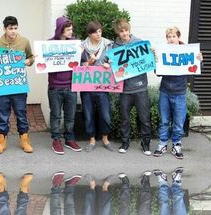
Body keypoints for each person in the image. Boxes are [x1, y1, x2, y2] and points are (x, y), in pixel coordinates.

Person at [0, 16, 34, 154]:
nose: (13, 31)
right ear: (5, 29)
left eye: (15, 28)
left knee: (21, 114)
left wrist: (29, 62)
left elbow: (30, 57)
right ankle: (1, 142)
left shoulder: (24, 41)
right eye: (10, 28)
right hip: (4, 86)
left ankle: (24, 140)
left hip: (19, 85)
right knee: (3, 114)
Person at [153, 27, 203, 159]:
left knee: (179, 122)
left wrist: (199, 60)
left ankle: (176, 144)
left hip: (180, 93)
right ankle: (162, 144)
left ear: (178, 38)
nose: (171, 39)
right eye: (168, 37)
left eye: (173, 36)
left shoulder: (187, 51)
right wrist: (156, 62)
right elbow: (157, 73)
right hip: (165, 91)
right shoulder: (163, 51)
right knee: (164, 121)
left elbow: (195, 69)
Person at [111, 19, 152, 155]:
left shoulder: (139, 43)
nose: (124, 33)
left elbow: (147, 62)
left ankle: (145, 143)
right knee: (125, 119)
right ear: (117, 32)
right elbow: (111, 65)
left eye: (126, 30)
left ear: (129, 30)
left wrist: (151, 55)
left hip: (140, 87)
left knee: (144, 118)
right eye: (121, 31)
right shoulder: (114, 47)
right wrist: (108, 63)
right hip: (124, 89)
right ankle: (125, 142)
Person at [48, 16, 82, 155]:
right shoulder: (49, 43)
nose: (71, 32)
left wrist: (82, 55)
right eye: (68, 29)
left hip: (71, 86)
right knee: (55, 115)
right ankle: (56, 140)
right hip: (55, 86)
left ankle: (69, 139)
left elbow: (83, 61)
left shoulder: (74, 43)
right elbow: (43, 62)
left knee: (70, 115)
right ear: (61, 30)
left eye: (71, 29)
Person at [81, 21, 115, 152]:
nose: (99, 34)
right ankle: (92, 139)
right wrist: (89, 62)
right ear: (89, 34)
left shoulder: (108, 45)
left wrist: (109, 65)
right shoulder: (82, 47)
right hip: (87, 86)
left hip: (103, 86)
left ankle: (105, 138)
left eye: (100, 31)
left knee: (105, 114)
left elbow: (114, 62)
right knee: (88, 114)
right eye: (95, 32)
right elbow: (78, 66)